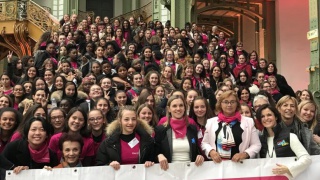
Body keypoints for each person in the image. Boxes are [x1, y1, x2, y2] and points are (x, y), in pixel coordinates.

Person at [201, 90, 261, 163]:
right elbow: (204, 143)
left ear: (237, 104)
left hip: (240, 165)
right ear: (220, 104)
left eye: (232, 102)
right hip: (218, 166)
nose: (229, 105)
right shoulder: (211, 122)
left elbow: (256, 144)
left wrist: (244, 154)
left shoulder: (248, 122)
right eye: (226, 102)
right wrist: (211, 151)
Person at [256, 104, 312, 178]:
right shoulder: (260, 139)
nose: (266, 118)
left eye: (269, 115)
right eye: (262, 116)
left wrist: (289, 169)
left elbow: (306, 159)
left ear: (276, 117)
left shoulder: (290, 136)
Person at [154, 95, 204, 170]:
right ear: (169, 109)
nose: (178, 108)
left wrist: (200, 156)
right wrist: (158, 155)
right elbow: (154, 152)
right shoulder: (161, 130)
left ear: (185, 108)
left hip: (190, 171)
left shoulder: (192, 129)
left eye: (181, 105)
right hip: (168, 171)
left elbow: (197, 150)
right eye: (174, 106)